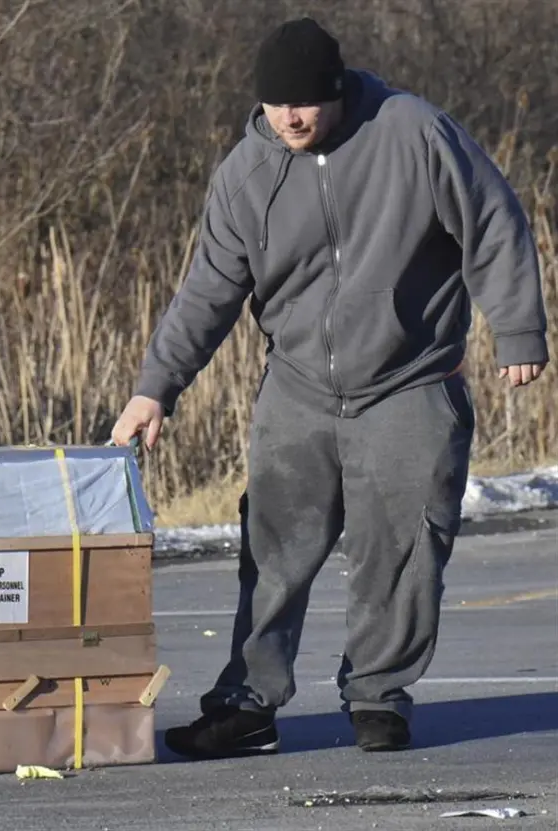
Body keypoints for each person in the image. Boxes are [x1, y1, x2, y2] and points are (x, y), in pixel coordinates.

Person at [111, 17, 549, 758]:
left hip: (411, 381)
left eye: (306, 103)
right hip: (300, 389)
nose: (291, 118)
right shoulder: (246, 176)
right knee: (273, 551)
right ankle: (247, 701)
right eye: (277, 105)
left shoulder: (412, 132)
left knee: (401, 550)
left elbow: (492, 220)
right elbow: (207, 293)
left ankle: (379, 694)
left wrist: (519, 330)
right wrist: (157, 387)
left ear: (337, 90)